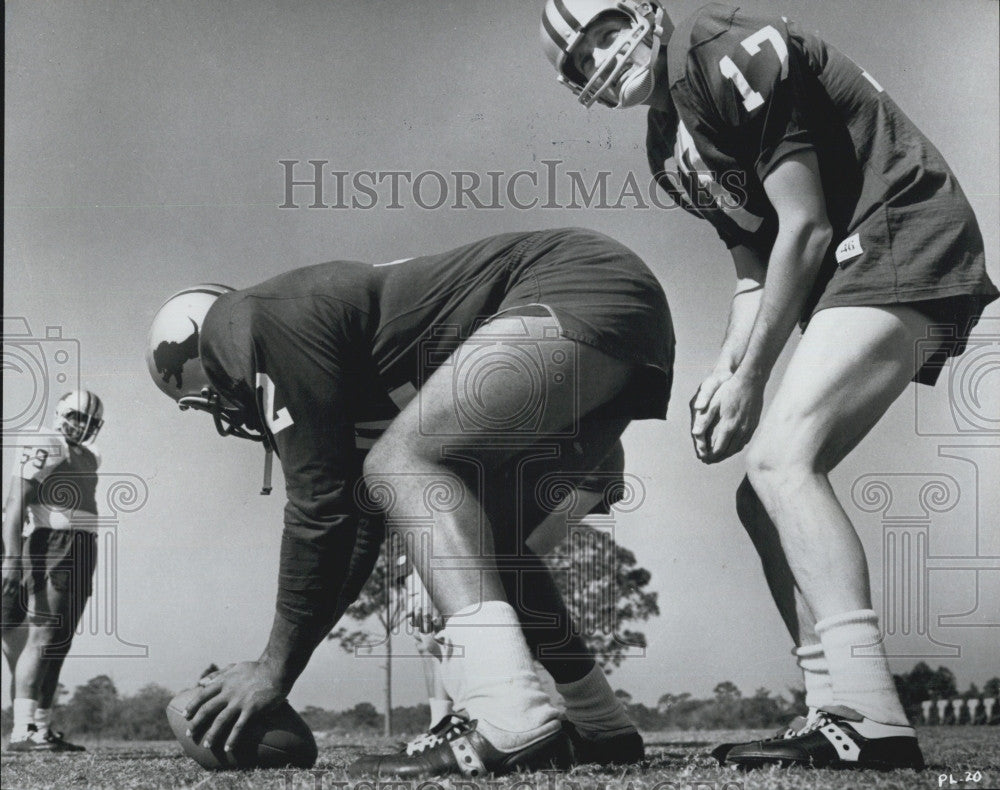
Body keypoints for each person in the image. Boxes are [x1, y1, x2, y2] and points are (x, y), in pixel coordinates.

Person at [542, 0, 998, 770]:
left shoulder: (719, 47)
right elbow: (755, 273)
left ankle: (872, 714)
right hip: (855, 258)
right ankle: (832, 704)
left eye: (603, 34)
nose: (598, 62)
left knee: (783, 461)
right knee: (762, 493)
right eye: (578, 61)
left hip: (897, 232)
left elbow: (808, 226)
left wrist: (753, 378)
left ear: (641, 12)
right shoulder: (666, 145)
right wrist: (725, 369)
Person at [146, 227, 673, 777]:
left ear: (197, 363)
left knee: (400, 463)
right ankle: (601, 724)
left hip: (573, 291)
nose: (226, 413)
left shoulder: (245, 323)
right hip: (620, 315)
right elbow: (355, 530)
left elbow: (321, 510)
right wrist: (279, 669)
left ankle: (507, 711)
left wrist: (271, 669)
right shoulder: (318, 344)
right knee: (486, 545)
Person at [2, 390, 105, 753]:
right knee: (43, 635)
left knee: (61, 641)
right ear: (62, 413)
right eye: (76, 416)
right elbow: (17, 499)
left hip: (82, 546)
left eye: (89, 421)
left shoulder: (90, 456)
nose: (82, 425)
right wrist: (12, 558)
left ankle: (42, 728)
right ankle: (22, 730)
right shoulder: (46, 441)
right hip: (53, 544)